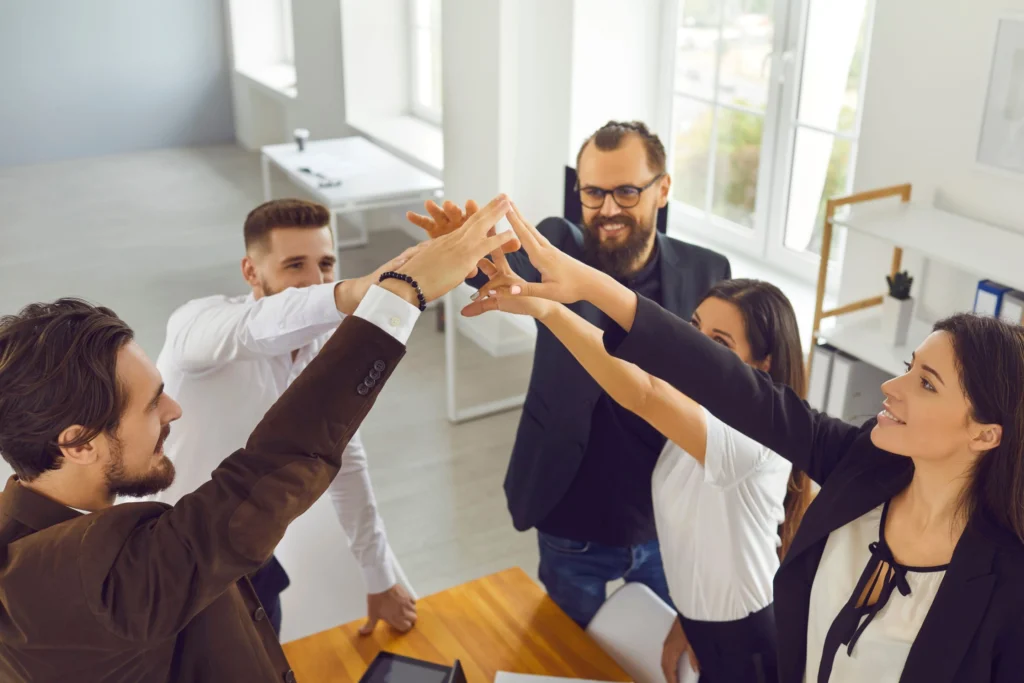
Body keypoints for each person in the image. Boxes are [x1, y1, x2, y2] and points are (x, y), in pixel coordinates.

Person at [473, 204, 1024, 683]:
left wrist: (573, 296)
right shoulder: (863, 467)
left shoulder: (1005, 585)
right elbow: (712, 379)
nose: (890, 387)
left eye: (926, 383)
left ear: (985, 433)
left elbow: (651, 391)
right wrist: (570, 296)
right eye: (908, 368)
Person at [0, 196, 515, 682]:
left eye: (325, 264)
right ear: (77, 443)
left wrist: (378, 573)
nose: (173, 408)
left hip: (244, 572)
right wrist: (395, 291)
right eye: (152, 403)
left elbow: (342, 455)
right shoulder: (72, 585)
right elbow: (279, 452)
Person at [408, 121, 731, 627]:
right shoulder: (557, 244)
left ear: (662, 188)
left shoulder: (708, 270)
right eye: (593, 192)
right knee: (566, 652)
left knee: (659, 651)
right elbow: (507, 272)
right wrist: (465, 254)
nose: (607, 210)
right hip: (570, 512)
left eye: (626, 191)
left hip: (668, 522)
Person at [466, 242, 811, 681]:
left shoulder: (752, 439)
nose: (694, 350)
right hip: (704, 625)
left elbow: (641, 391)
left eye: (719, 343)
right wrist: (688, 616)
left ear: (762, 365)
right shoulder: (696, 414)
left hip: (746, 644)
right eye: (693, 329)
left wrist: (548, 310)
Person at [154, 198, 415, 636]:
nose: (314, 280)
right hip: (166, 567)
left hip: (250, 562)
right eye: (295, 265)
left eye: (326, 264)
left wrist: (378, 577)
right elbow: (257, 325)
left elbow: (347, 464)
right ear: (251, 273)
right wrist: (354, 293)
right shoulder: (198, 327)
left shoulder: (324, 356)